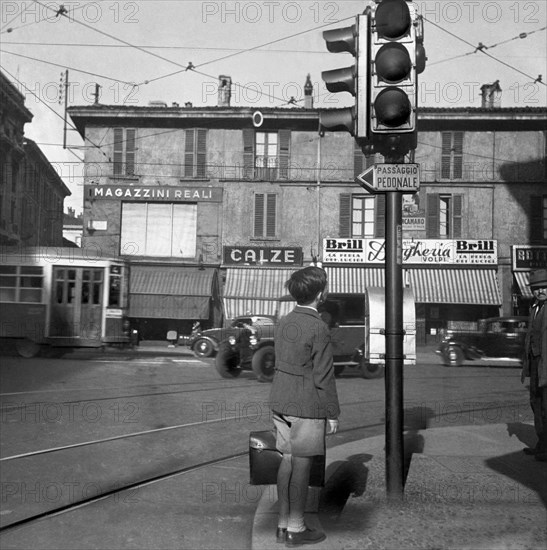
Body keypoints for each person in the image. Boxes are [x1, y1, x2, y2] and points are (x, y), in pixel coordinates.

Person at [269, 266, 340, 547]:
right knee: (301, 466)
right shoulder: (318, 326)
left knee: (286, 460)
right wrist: (332, 412)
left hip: (280, 402)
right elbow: (324, 375)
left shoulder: (284, 321)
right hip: (306, 405)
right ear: (320, 294)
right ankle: (297, 529)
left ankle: (282, 524)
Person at [521, 268, 547, 462]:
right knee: (535, 403)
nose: (540, 292)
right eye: (536, 289)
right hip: (535, 364)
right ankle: (541, 443)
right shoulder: (534, 307)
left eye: (544, 287)